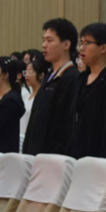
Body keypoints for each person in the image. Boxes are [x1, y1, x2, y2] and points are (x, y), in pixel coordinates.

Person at [22, 18, 81, 156]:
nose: (44, 45)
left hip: (53, 159)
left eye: (49, 40)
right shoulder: (49, 78)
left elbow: (66, 126)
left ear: (66, 44)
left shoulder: (72, 78)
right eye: (43, 40)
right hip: (35, 156)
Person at [70, 23, 106, 159]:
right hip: (76, 154)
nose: (82, 48)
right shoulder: (81, 78)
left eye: (87, 43)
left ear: (103, 48)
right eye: (81, 43)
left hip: (98, 157)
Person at [21, 57, 45, 150]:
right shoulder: (28, 96)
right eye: (26, 72)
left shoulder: (42, 96)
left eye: (30, 72)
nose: (27, 75)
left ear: (41, 75)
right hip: (22, 137)